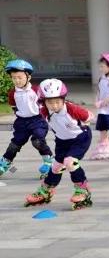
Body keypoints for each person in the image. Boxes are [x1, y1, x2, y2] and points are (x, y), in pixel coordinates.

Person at [24, 79, 94, 210]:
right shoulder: (44, 112)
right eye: (50, 102)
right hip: (62, 141)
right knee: (56, 166)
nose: (54, 106)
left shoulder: (72, 108)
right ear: (43, 102)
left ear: (63, 99)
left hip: (80, 137)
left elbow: (89, 116)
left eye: (57, 102)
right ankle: (46, 190)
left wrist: (84, 122)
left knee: (70, 162)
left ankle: (82, 189)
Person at [0, 59, 54, 179]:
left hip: (37, 120)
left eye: (20, 77)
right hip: (22, 122)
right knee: (15, 144)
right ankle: (6, 162)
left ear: (28, 77)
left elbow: (45, 104)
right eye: (14, 78)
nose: (17, 80)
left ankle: (48, 161)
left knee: (37, 141)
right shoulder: (12, 93)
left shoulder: (36, 90)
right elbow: (14, 107)